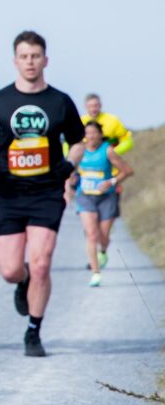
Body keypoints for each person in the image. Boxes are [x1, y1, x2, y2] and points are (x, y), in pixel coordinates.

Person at [0, 30, 85, 357]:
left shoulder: (60, 101)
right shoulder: (0, 100)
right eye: (24, 56)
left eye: (35, 56)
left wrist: (68, 166)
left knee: (41, 262)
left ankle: (34, 331)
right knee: (10, 270)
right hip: (7, 191)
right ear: (15, 61)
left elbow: (78, 140)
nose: (30, 62)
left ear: (45, 60)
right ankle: (22, 284)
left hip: (46, 192)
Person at [71, 120, 134, 286]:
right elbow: (71, 170)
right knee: (91, 234)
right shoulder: (80, 150)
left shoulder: (108, 151)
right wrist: (70, 183)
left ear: (100, 135)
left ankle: (103, 251)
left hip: (107, 197)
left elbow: (127, 171)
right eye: (87, 133)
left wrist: (111, 181)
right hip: (85, 196)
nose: (91, 136)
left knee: (103, 235)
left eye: (94, 133)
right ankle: (96, 273)